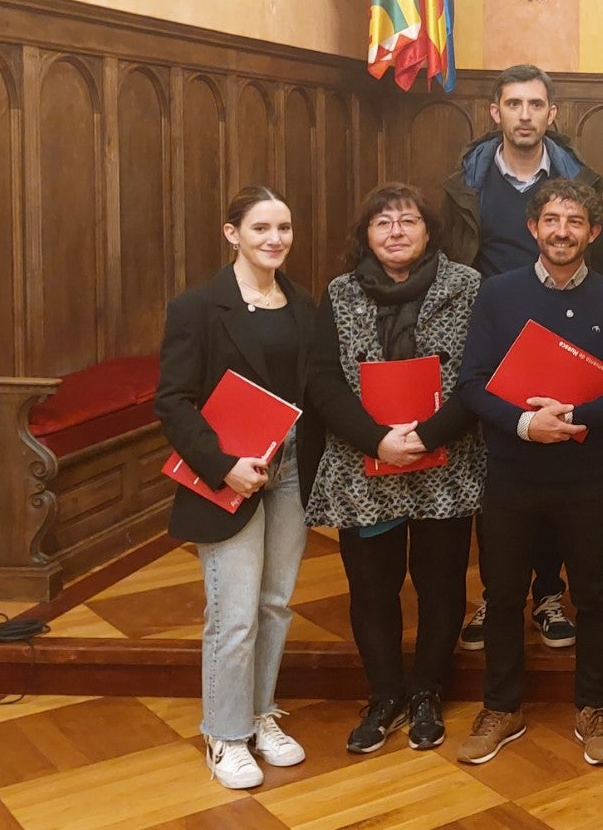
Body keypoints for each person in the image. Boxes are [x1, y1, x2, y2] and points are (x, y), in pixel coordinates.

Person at [452, 178, 603, 769]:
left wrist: (576, 416)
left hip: (585, 475)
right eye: (551, 220)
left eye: (575, 222)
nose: (562, 231)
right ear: (532, 228)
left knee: (592, 593)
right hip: (512, 470)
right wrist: (524, 425)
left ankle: (594, 708)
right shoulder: (497, 294)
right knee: (504, 591)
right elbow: (471, 383)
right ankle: (502, 707)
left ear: (593, 232)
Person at [302, 183, 485, 755]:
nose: (396, 232)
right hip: (364, 466)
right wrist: (379, 441)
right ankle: (385, 694)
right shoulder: (338, 293)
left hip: (446, 464)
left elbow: (479, 376)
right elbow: (323, 382)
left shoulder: (468, 287)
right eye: (382, 224)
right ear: (366, 237)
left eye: (408, 221)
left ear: (429, 230)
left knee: (440, 586)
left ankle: (428, 691)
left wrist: (425, 437)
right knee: (372, 589)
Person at [440, 64, 603, 653]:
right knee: (502, 473)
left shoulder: (578, 180)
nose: (524, 114)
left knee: (553, 468)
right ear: (495, 112)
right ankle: (499, 592)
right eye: (513, 103)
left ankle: (547, 591)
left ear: (551, 114)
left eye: (535, 104)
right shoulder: (464, 182)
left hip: (560, 327)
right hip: (493, 328)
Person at [154, 185, 317, 790]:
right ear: (232, 234)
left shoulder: (303, 302)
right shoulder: (198, 306)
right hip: (228, 471)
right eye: (261, 229)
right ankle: (224, 736)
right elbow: (172, 401)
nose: (275, 239)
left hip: (291, 466)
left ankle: (258, 714)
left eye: (284, 228)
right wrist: (223, 464)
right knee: (233, 613)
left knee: (275, 603)